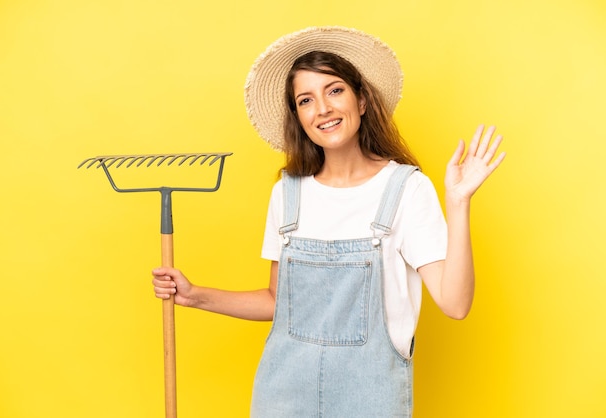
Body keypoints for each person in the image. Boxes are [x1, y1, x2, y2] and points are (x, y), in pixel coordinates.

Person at [152, 26, 505, 417]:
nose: (322, 108)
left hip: (370, 398)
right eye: (306, 100)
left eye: (334, 90)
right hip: (282, 395)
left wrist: (458, 203)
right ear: (298, 117)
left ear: (363, 100)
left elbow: (455, 304)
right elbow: (277, 301)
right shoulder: (287, 193)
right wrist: (194, 295)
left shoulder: (406, 189)